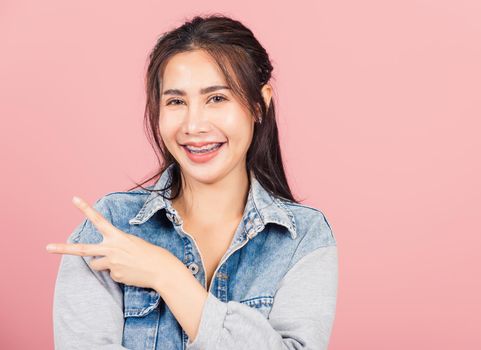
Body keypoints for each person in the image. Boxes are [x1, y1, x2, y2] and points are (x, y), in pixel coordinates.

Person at [48, 14, 338, 350]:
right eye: (176, 102)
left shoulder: (303, 237)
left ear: (260, 104)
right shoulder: (111, 227)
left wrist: (167, 275)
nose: (194, 125)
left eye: (216, 98)